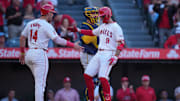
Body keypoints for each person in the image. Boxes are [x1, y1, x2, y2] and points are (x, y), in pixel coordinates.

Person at [19, 4, 82, 101]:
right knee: (40, 85)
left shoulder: (31, 23)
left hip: (29, 54)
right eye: (51, 13)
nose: (52, 15)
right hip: (39, 53)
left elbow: (22, 37)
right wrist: (73, 45)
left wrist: (22, 54)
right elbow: (57, 40)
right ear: (47, 13)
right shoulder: (46, 25)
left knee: (39, 82)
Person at [68, 6, 125, 101]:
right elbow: (91, 32)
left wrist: (115, 56)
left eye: (102, 16)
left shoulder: (116, 27)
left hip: (108, 53)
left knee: (103, 77)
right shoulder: (102, 26)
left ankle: (107, 99)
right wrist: (78, 30)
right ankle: (91, 99)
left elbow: (121, 43)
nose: (100, 18)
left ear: (107, 15)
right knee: (87, 75)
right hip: (99, 53)